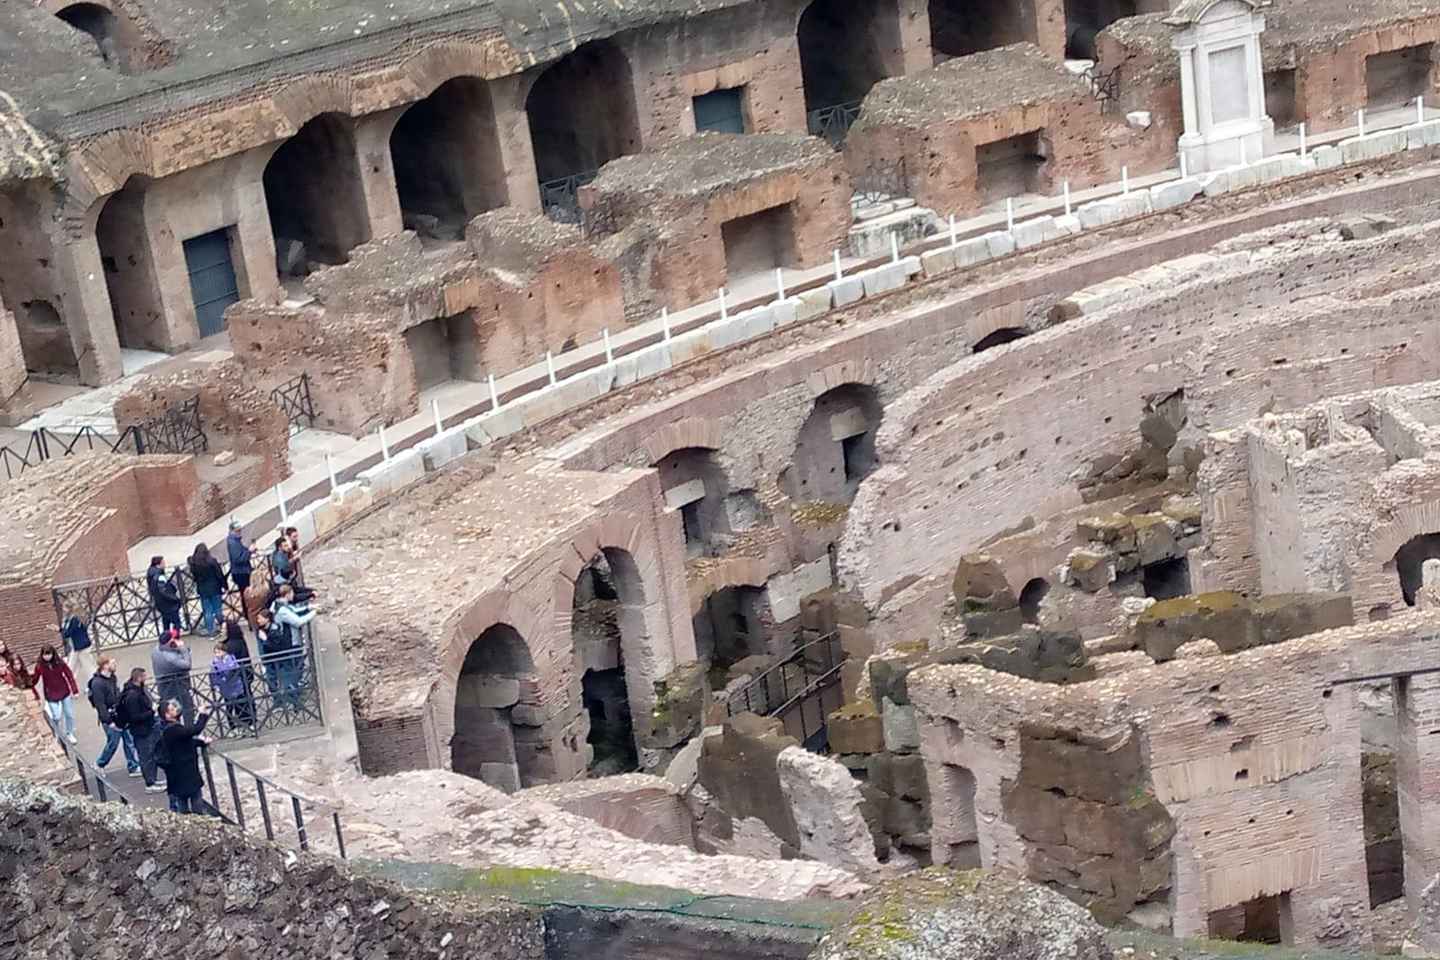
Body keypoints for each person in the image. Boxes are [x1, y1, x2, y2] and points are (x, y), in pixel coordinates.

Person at [87, 655, 141, 777]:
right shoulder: (97, 683)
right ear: (105, 665)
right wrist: (108, 721)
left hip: (120, 714)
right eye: (112, 663)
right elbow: (100, 705)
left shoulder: (112, 677)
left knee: (129, 739)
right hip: (110, 716)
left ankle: (133, 766)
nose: (115, 665)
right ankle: (99, 764)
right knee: (113, 743)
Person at [266, 585, 317, 711]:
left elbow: (294, 610)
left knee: (292, 671)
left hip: (286, 644)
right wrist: (313, 613)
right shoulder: (282, 610)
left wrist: (309, 607)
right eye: (292, 593)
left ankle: (293, 698)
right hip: (291, 643)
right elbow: (298, 621)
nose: (294, 595)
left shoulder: (278, 605)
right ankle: (294, 700)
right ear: (288, 594)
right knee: (293, 672)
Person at [115, 667, 165, 792]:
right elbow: (135, 717)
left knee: (151, 755)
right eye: (144, 676)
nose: (146, 678)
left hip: (147, 727)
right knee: (146, 757)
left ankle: (153, 779)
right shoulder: (132, 695)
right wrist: (152, 711)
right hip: (141, 730)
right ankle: (150, 783)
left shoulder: (138, 690)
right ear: (139, 678)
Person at [157, 699, 211, 815]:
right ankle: (196, 818)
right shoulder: (173, 729)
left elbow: (185, 741)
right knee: (193, 796)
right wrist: (202, 714)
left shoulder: (168, 728)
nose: (176, 710)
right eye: (172, 709)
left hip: (178, 770)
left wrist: (201, 742)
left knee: (183, 796)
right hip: (183, 768)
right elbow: (194, 730)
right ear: (167, 715)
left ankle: (187, 817)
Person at [34, 644, 79, 744]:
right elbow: (35, 678)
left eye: (49, 654)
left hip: (64, 691)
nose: (47, 657)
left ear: (53, 654)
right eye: (45, 655)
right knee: (56, 716)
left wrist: (74, 690)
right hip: (50, 693)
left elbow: (69, 675)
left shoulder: (60, 663)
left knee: (69, 714)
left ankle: (69, 733)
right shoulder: (40, 666)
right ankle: (57, 733)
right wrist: (27, 685)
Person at [151, 628, 195, 724]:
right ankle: (189, 728)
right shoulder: (170, 657)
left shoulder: (156, 650)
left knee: (170, 709)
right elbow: (187, 665)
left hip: (164, 686)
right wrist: (183, 649)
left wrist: (175, 648)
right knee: (187, 708)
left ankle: (175, 727)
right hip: (177, 685)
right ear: (169, 641)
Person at [188, 542, 227, 636]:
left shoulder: (194, 564)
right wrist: (225, 586)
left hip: (203, 590)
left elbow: (195, 577)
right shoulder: (212, 561)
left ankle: (211, 630)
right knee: (218, 609)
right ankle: (223, 627)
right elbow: (219, 574)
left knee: (207, 611)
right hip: (215, 588)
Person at [209, 642, 250, 730]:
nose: (217, 655)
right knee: (229, 708)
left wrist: (224, 676)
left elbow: (233, 670)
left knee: (240, 705)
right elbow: (213, 675)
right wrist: (216, 684)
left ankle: (245, 723)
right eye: (215, 653)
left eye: (219, 652)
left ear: (224, 652)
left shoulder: (231, 659)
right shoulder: (214, 663)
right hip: (225, 688)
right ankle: (232, 726)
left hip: (235, 686)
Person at [146, 555, 183, 637]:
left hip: (160, 603)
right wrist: (175, 599)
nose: (165, 564)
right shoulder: (159, 576)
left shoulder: (151, 574)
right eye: (163, 562)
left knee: (166, 622)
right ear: (158, 564)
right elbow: (164, 591)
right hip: (167, 603)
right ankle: (175, 638)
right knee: (176, 622)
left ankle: (167, 639)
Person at [226, 520, 255, 615]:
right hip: (241, 572)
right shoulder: (233, 542)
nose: (240, 532)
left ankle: (249, 613)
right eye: (238, 531)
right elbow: (238, 559)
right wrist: (249, 551)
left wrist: (248, 551)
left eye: (240, 530)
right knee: (245, 595)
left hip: (242, 571)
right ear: (232, 531)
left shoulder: (235, 541)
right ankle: (248, 614)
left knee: (246, 594)